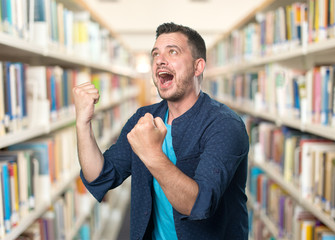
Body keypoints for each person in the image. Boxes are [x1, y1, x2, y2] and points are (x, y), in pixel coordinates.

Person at [72, 22, 249, 240]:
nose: (160, 60)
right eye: (155, 54)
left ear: (198, 66)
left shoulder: (225, 125)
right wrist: (83, 122)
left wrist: (151, 153)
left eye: (172, 51)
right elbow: (99, 176)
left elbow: (199, 205)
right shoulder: (144, 118)